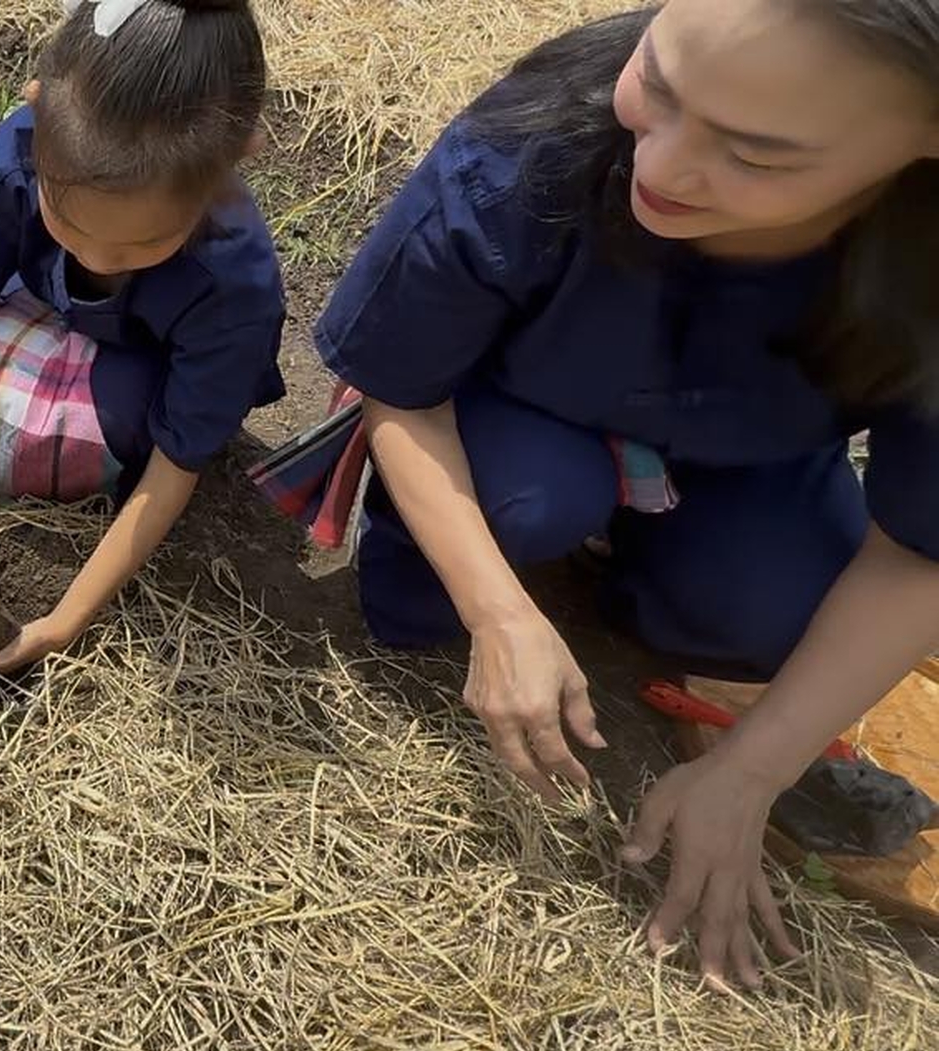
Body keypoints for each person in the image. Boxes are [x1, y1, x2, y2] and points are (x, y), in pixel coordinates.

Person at [313, 0, 939, 988]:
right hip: (517, 418)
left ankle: (646, 566)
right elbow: (400, 388)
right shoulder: (533, 143)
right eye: (658, 79)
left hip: (746, 459)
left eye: (754, 155)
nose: (662, 167)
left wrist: (752, 769)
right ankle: (562, 540)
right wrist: (497, 612)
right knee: (505, 518)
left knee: (776, 612)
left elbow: (917, 550)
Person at [0, 0, 286, 676]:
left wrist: (66, 619)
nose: (99, 258)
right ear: (35, 106)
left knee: (114, 428)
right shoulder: (12, 161)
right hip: (47, 308)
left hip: (147, 362)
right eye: (68, 225)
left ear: (237, 158)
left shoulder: (235, 284)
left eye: (143, 246)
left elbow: (177, 458)